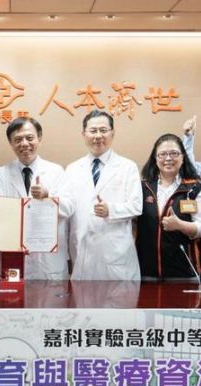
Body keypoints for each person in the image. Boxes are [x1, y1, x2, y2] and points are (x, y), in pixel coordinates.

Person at [0, 117, 74, 280]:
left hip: (47, 260)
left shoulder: (56, 171)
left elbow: (69, 208)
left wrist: (48, 196)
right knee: (12, 294)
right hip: (12, 254)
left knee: (49, 296)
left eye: (29, 138)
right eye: (18, 140)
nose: (24, 144)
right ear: (11, 143)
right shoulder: (1, 174)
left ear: (39, 138)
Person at [65, 110, 142, 281]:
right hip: (82, 251)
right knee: (83, 297)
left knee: (118, 297)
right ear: (83, 134)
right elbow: (67, 209)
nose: (98, 136)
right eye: (93, 131)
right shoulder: (72, 169)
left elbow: (136, 207)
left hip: (115, 253)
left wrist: (111, 210)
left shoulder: (127, 167)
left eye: (103, 130)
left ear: (112, 133)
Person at [136, 133, 201, 280]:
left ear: (183, 157)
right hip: (146, 271)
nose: (168, 158)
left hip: (183, 273)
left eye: (174, 153)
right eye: (162, 154)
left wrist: (180, 225)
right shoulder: (142, 187)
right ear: (155, 158)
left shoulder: (194, 189)